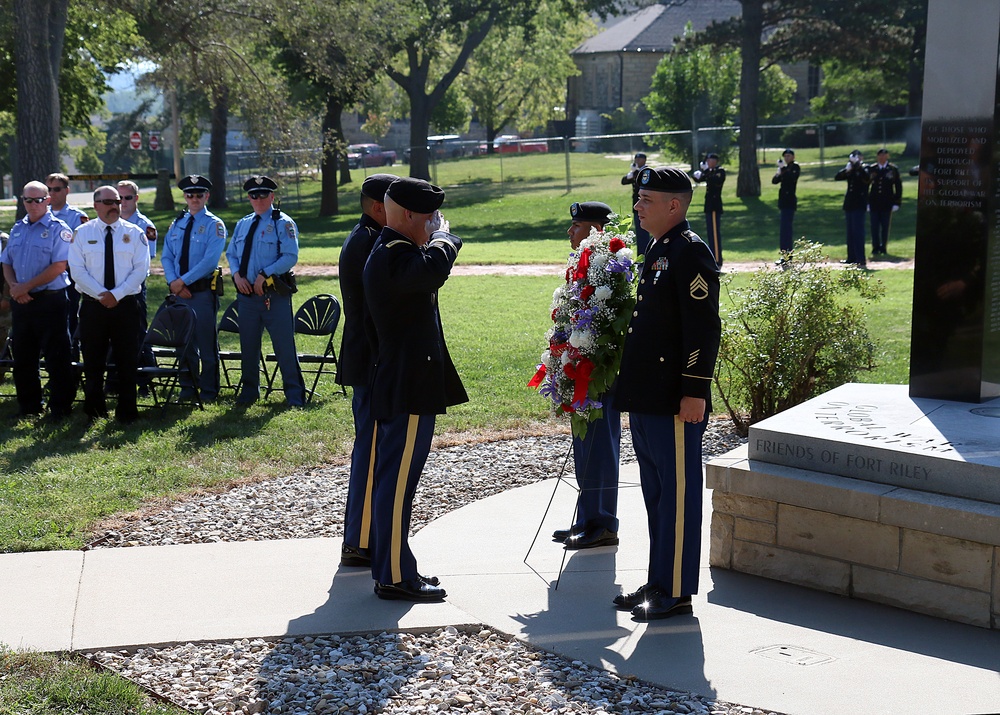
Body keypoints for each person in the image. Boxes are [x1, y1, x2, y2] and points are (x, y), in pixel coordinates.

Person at [612, 167, 721, 621]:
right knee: (657, 493)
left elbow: (702, 329)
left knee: (677, 494)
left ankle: (676, 590)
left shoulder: (690, 252)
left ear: (674, 206)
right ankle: (660, 578)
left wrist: (694, 391)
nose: (637, 207)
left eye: (647, 199)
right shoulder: (660, 248)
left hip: (675, 400)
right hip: (648, 397)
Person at [362, 177, 467, 603]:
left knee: (398, 482)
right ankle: (392, 575)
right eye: (429, 217)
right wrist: (445, 238)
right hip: (405, 387)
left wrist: (437, 236)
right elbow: (432, 272)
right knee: (396, 483)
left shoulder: (399, 251)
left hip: (407, 384)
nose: (434, 223)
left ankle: (396, 567)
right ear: (406, 215)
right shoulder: (394, 255)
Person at [550, 201, 624, 551]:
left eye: (576, 226)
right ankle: (587, 518)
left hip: (599, 372)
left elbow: (612, 317)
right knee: (584, 444)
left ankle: (604, 521)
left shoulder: (610, 264)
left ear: (594, 231)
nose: (570, 231)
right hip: (580, 366)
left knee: (600, 446)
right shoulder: (585, 262)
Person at [336, 173, 398, 569]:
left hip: (368, 358)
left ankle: (362, 535)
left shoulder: (366, 235)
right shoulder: (370, 241)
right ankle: (359, 540)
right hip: (370, 358)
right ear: (379, 208)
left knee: (371, 447)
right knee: (371, 449)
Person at [67, 186, 149, 423]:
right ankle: (94, 410)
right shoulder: (82, 233)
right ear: (96, 206)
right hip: (94, 305)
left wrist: (117, 294)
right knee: (93, 360)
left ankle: (127, 412)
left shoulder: (134, 233)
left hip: (126, 306)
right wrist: (103, 294)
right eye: (108, 201)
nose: (114, 205)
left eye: (117, 201)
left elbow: (140, 270)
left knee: (127, 360)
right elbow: (77, 271)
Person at [224, 175, 305, 406]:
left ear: (272, 196)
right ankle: (249, 393)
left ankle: (294, 395)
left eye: (263, 195)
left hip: (274, 296)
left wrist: (265, 273)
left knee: (284, 347)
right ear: (249, 198)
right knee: (248, 347)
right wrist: (236, 274)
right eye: (253, 195)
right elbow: (231, 254)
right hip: (247, 298)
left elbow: (290, 256)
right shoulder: (243, 224)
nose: (258, 199)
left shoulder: (283, 223)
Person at [1, 182, 75, 420]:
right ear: (22, 201)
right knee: (23, 355)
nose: (33, 205)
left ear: (48, 200)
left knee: (56, 356)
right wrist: (14, 287)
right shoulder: (18, 229)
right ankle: (30, 407)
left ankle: (60, 407)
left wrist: (25, 287)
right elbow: (7, 262)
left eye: (38, 200)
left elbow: (59, 266)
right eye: (28, 200)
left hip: (49, 300)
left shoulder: (58, 229)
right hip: (21, 301)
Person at [160, 175, 227, 402]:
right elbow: (167, 256)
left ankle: (209, 391)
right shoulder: (177, 223)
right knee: (184, 345)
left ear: (206, 196)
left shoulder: (214, 225)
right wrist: (174, 283)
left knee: (206, 344)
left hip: (201, 293)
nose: (194, 199)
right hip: (179, 292)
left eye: (199, 195)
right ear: (185, 197)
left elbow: (209, 262)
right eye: (190, 195)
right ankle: (188, 387)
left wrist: (182, 282)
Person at [116, 180, 158, 394]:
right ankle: (113, 381)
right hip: (112, 288)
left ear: (136, 198)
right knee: (113, 334)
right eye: (119, 198)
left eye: (128, 197)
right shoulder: (109, 223)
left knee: (138, 333)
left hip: (134, 288)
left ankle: (145, 381)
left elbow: (146, 259)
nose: (123, 202)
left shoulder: (145, 225)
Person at [46, 173, 89, 346]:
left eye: (56, 189)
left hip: (68, 276)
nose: (52, 193)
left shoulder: (77, 217)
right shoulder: (41, 215)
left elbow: (84, 249)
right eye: (48, 189)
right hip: (43, 277)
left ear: (67, 191)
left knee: (69, 316)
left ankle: (71, 355)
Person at [834, 150, 870, 267]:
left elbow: (867, 178)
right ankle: (851, 257)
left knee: (858, 232)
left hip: (859, 204)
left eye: (857, 157)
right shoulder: (850, 169)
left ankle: (860, 259)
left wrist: (858, 166)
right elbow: (837, 177)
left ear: (861, 157)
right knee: (850, 232)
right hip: (849, 204)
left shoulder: (865, 168)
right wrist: (847, 170)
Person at [867, 148, 902, 257]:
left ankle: (883, 247)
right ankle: (875, 247)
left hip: (887, 202)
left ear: (887, 156)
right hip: (874, 202)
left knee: (885, 226)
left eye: (884, 155)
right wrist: (866, 202)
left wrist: (897, 202)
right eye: (880, 155)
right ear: (877, 157)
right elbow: (866, 185)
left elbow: (898, 186)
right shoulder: (872, 169)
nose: (882, 157)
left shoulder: (892, 169)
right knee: (874, 226)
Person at [692, 153, 725, 266]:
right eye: (707, 160)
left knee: (715, 234)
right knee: (710, 233)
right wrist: (696, 175)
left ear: (716, 161)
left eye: (710, 160)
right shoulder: (709, 172)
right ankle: (713, 257)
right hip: (709, 205)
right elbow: (699, 179)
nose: (708, 162)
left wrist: (706, 171)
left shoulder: (720, 171)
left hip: (715, 205)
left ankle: (717, 260)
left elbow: (715, 181)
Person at [772, 148, 800, 262]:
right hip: (783, 202)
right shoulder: (784, 168)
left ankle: (788, 256)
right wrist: (779, 171)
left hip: (789, 201)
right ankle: (784, 254)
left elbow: (791, 178)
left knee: (787, 230)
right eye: (785, 156)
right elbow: (774, 181)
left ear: (793, 157)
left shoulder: (795, 167)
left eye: (789, 156)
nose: (787, 158)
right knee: (783, 231)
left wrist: (783, 169)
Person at [621, 153, 650, 256]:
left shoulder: (646, 171)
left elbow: (642, 180)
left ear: (644, 160)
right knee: (639, 231)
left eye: (639, 159)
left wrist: (634, 172)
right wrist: (631, 174)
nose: (637, 161)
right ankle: (641, 255)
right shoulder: (636, 171)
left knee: (643, 231)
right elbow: (623, 181)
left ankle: (645, 255)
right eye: (636, 159)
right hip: (636, 204)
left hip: (644, 204)